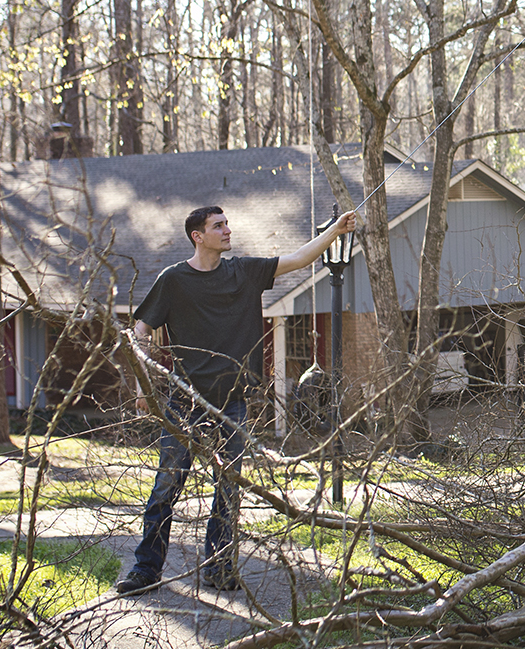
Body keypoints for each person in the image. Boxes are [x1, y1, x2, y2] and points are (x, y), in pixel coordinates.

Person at [116, 205, 357, 596]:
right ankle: (146, 570)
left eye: (226, 223)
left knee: (228, 488)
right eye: (218, 226)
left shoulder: (244, 271)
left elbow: (298, 259)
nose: (228, 230)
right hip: (184, 401)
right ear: (198, 236)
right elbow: (139, 332)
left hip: (233, 402)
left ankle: (219, 567)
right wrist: (146, 388)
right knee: (166, 487)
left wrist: (335, 232)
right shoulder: (173, 280)